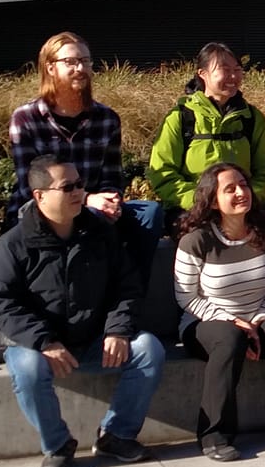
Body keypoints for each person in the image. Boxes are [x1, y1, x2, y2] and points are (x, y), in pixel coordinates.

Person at [0, 155, 168, 467]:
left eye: (80, 185)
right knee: (27, 369)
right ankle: (57, 446)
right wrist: (45, 341)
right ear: (40, 196)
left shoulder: (101, 234)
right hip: (37, 345)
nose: (79, 192)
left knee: (148, 349)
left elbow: (127, 286)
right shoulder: (13, 245)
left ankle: (116, 435)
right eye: (67, 187)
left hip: (93, 340)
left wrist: (117, 330)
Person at [171, 163, 265, 461]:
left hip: (259, 314)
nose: (241, 192)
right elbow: (186, 297)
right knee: (229, 338)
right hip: (207, 320)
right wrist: (232, 321)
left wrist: (260, 316)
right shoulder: (196, 241)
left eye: (244, 184)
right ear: (213, 201)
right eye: (230, 189)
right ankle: (214, 434)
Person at [9, 31, 168, 290]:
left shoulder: (106, 118)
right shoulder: (26, 118)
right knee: (86, 217)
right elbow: (31, 184)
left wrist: (111, 199)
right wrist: (86, 199)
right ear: (50, 67)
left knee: (149, 213)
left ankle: (131, 294)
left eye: (85, 61)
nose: (80, 68)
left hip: (94, 207)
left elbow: (112, 175)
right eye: (71, 62)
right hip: (43, 207)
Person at [147, 43, 265, 213]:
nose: (233, 76)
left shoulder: (251, 118)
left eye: (237, 69)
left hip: (243, 211)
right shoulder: (181, 117)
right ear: (202, 73)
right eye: (225, 69)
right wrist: (203, 202)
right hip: (193, 211)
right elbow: (162, 173)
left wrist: (246, 198)